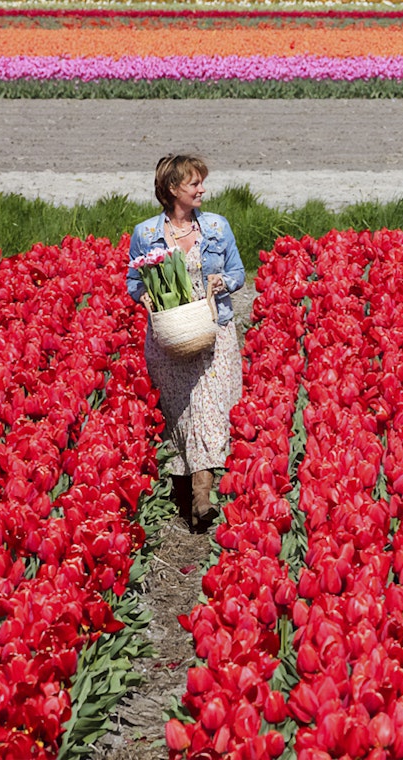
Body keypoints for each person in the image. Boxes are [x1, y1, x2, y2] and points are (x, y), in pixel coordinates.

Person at [127, 154, 245, 533]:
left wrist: (221, 283)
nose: (202, 189)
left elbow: (238, 272)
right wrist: (143, 295)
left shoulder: (215, 226)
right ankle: (185, 491)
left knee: (210, 407)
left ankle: (202, 495)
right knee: (181, 411)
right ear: (173, 188)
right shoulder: (145, 234)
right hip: (171, 336)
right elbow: (133, 281)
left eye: (200, 183)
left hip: (213, 329)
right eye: (194, 183)